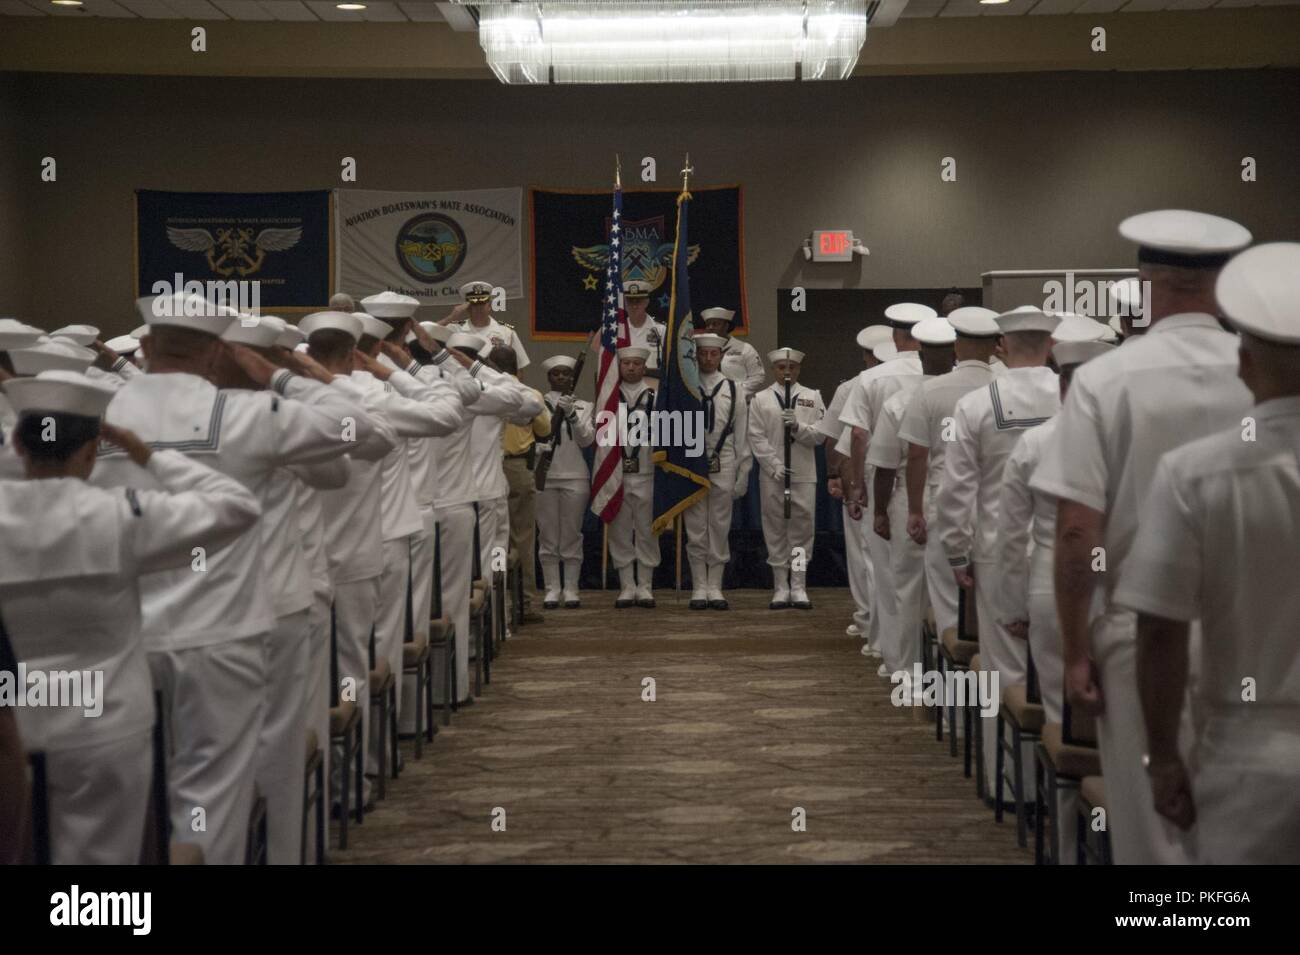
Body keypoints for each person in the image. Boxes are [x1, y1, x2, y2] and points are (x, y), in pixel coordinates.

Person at [93, 293, 376, 864]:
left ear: (145, 346)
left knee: (133, 794)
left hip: (124, 633)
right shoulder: (248, 415)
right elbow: (360, 426)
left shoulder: (96, 416)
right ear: (218, 353)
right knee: (214, 790)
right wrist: (281, 377)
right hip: (223, 634)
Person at [1030, 209, 1253, 865]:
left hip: (1136, 631)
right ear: (1222, 282)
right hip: (1250, 632)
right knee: (1240, 826)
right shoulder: (1260, 373)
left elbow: (1076, 531)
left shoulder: (1104, 378)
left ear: (1145, 281)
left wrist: (1074, 648)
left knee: (1153, 836)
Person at [0, 370, 261, 864]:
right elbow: (238, 506)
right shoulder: (124, 514)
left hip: (10, 721)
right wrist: (149, 455)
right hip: (105, 721)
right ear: (93, 450)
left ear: (16, 442)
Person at [1118, 243, 1300, 864]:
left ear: (1244, 364)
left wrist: (1163, 755)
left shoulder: (1196, 474)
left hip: (1251, 755)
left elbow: (1162, 630)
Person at [994, 315, 1113, 862]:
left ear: (1061, 380)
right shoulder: (1128, 438)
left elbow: (1009, 533)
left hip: (1049, 585)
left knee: (1068, 724)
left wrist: (1012, 606)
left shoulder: (1037, 442)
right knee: (1120, 732)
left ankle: (1068, 849)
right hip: (1123, 589)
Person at [935, 306, 1062, 797]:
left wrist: (957, 552)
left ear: (1001, 347)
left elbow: (956, 489)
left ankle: (1011, 786)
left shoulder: (976, 404)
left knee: (1002, 668)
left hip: (995, 549)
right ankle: (1064, 788)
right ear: (1051, 347)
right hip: (1065, 549)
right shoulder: (1077, 399)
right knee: (1064, 666)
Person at [297, 310, 398, 812]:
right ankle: (351, 785)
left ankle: (328, 793)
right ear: (355, 353)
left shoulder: (290, 401)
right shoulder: (371, 399)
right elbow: (381, 439)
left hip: (307, 565)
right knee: (349, 672)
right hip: (354, 556)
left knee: (314, 682)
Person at [898, 306, 1001, 638]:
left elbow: (917, 456)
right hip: (1003, 506)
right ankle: (993, 687)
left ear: (956, 345)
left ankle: (954, 688)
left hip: (946, 500)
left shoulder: (931, 390)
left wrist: (915, 510)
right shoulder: (1009, 385)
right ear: (996, 345)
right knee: (1001, 608)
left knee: (948, 605)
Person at [840, 303, 931, 667]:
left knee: (890, 576)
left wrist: (858, 486)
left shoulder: (872, 378)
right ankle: (933, 665)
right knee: (939, 585)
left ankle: (898, 664)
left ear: (895, 336)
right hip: (946, 487)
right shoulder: (945, 373)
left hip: (890, 485)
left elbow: (859, 435)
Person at [869, 316, 955, 691]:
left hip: (910, 498)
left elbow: (885, 465)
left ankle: (908, 673)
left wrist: (880, 510)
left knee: (908, 589)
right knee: (954, 592)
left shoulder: (902, 400)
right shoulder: (974, 395)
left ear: (920, 354)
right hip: (964, 500)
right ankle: (951, 678)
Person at [820, 325, 891, 639]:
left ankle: (867, 621)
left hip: (863, 475)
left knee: (863, 552)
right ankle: (894, 628)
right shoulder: (921, 380)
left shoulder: (852, 386)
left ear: (865, 354)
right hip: (908, 481)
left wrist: (835, 476)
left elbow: (838, 437)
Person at [749, 347, 824, 609]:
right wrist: (773, 464)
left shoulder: (812, 397)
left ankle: (799, 585)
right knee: (775, 529)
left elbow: (821, 435)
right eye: (781, 367)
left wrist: (799, 427)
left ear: (799, 369)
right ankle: (780, 585)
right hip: (774, 474)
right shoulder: (761, 399)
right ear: (774, 370)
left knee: (802, 531)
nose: (787, 371)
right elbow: (755, 436)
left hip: (803, 473)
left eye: (791, 367)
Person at [681, 333, 751, 610]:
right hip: (693, 459)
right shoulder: (686, 387)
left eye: (713, 354)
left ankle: (715, 585)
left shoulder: (735, 389)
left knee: (719, 524)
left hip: (724, 458)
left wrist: (743, 471)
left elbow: (743, 434)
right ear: (695, 355)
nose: (708, 358)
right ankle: (699, 585)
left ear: (721, 356)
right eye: (703, 353)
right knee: (696, 524)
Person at [496, 346, 551, 623]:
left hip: (488, 469)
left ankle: (495, 603)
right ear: (518, 369)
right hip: (518, 466)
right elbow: (544, 429)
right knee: (523, 538)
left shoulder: (483, 392)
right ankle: (524, 603)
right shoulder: (530, 394)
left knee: (495, 541)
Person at [536, 355, 595, 609]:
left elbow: (586, 440)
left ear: (572, 377)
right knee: (548, 536)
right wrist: (537, 447)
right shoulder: (536, 404)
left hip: (575, 476)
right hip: (545, 475)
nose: (561, 377)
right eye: (556, 373)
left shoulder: (585, 406)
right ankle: (552, 588)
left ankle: (571, 588)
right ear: (548, 377)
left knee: (572, 535)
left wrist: (572, 415)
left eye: (566, 374)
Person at [606, 345, 659, 608]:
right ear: (620, 366)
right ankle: (627, 584)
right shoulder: (610, 396)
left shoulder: (655, 396)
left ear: (643, 366)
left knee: (648, 530)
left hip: (646, 471)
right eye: (626, 364)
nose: (631, 368)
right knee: (620, 530)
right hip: (617, 473)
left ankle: (645, 585)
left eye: (636, 363)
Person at [444, 279, 530, 371]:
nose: (479, 308)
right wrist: (450, 317)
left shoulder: (507, 333)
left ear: (489, 306)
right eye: (474, 305)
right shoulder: (454, 330)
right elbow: (427, 334)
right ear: (468, 308)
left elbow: (518, 370)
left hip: (497, 384)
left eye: (482, 304)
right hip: (466, 383)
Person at [699, 307, 764, 398]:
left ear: (726, 326)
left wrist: (736, 393)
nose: (710, 328)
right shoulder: (701, 351)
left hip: (740, 402)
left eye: (715, 324)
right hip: (708, 400)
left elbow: (757, 376)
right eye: (708, 324)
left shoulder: (745, 348)